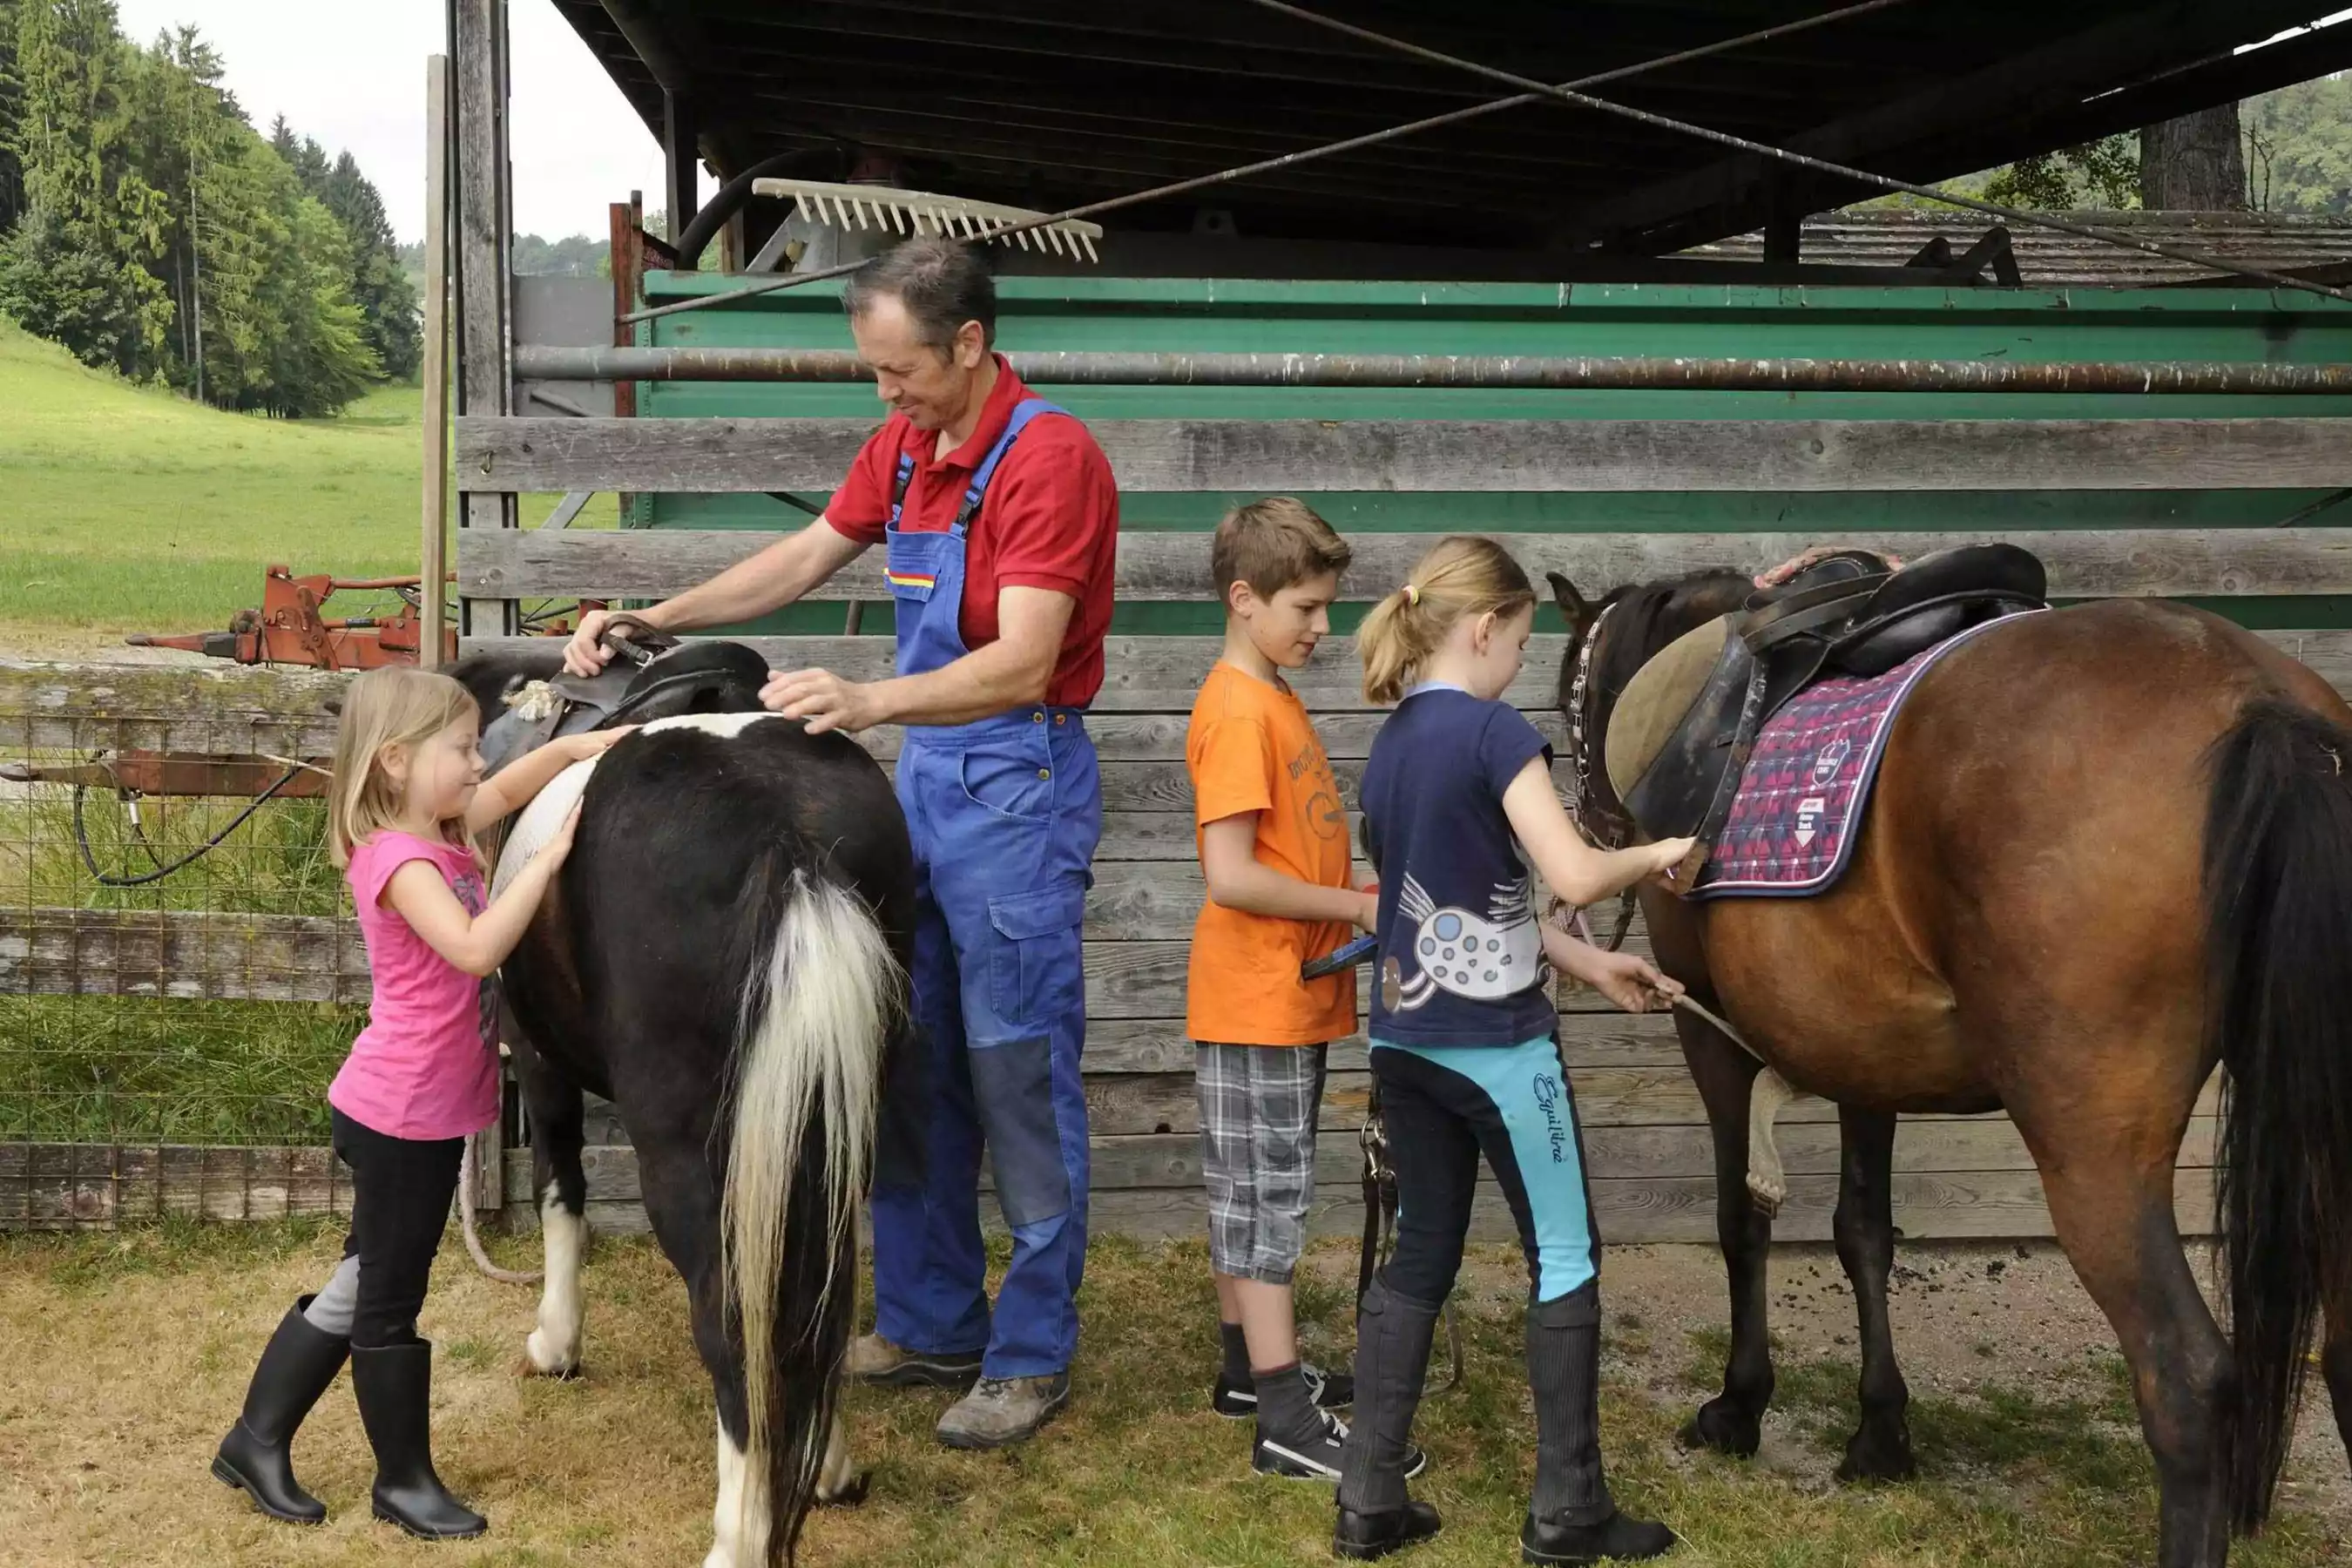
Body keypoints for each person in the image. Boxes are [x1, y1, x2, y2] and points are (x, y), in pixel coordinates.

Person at [561, 235, 1118, 1450]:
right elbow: (809, 553)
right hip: (929, 782)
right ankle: (929, 1322)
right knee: (905, 1056)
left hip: (1017, 781)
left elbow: (1024, 659)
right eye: (871, 372)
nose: (885, 394)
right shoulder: (911, 447)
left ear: (968, 345)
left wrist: (867, 703)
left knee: (1016, 1072)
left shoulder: (1050, 459)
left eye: (898, 369)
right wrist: (656, 613)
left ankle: (1030, 1353)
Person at [1335, 537, 1693, 1564]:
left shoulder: (1393, 743)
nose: (1517, 668)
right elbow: (1576, 876)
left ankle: (1368, 1503)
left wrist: (1591, 970)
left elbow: (1457, 909)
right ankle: (1569, 1512)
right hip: (1499, 1054)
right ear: (1485, 628)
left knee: (1420, 1257)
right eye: (1522, 644)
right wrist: (1658, 852)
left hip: (1406, 1041)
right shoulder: (1496, 735)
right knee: (1566, 1256)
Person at [211, 666, 628, 1538]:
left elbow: (512, 785)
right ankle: (402, 1485)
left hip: (417, 1109)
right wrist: (544, 862)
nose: (481, 765)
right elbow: (476, 949)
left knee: (365, 1277)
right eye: (463, 748)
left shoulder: (435, 830)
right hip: (400, 1114)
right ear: (395, 760)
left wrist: (582, 747)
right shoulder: (400, 860)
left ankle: (254, 1439)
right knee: (389, 1299)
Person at [1184, 498, 1417, 1484]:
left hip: (1289, 994)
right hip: (1255, 1000)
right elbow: (1230, 875)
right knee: (1265, 1204)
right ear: (1245, 600)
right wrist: (1354, 908)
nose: (1323, 628)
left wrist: (1353, 894)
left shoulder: (1273, 695)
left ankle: (1249, 1369)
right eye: (1307, 608)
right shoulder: (1239, 709)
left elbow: (1288, 848)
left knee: (1259, 1191)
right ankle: (1283, 1417)